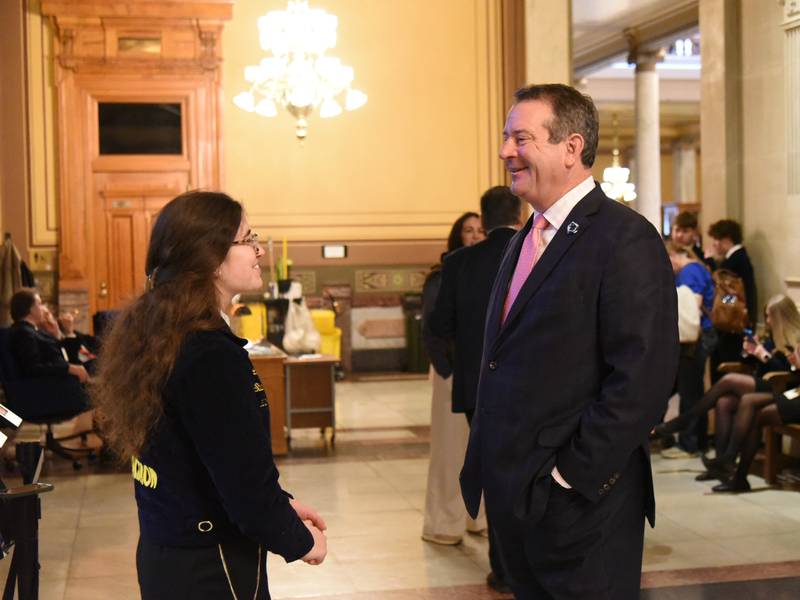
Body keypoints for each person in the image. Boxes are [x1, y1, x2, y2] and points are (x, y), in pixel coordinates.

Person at [459, 83, 678, 599]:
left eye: (521, 138)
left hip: (583, 507)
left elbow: (642, 381)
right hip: (516, 497)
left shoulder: (626, 238)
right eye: (506, 138)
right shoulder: (522, 240)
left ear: (571, 147)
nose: (505, 151)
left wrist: (568, 478)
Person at [92, 191, 326, 599]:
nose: (258, 251)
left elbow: (208, 457)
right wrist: (297, 539)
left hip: (168, 551)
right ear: (212, 257)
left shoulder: (165, 332)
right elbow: (243, 484)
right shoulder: (208, 353)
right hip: (210, 563)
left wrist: (282, 503)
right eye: (248, 239)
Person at [428, 187, 523, 592]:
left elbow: (439, 325)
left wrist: (463, 361)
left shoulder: (459, 262)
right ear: (518, 215)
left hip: (476, 387)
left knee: (491, 471)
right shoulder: (534, 253)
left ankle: (502, 568)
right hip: (528, 384)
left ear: (482, 222)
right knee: (526, 471)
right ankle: (530, 564)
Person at [654, 294, 800, 481]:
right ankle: (720, 465)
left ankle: (684, 421)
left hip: (783, 388)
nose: (768, 321)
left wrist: (765, 356)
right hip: (767, 384)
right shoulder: (772, 336)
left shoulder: (795, 339)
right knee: (724, 402)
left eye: (770, 316)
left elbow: (787, 372)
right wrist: (749, 353)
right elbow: (761, 366)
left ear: (781, 317)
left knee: (729, 380)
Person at [421, 212, 487, 548]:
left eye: (480, 231)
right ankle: (443, 522)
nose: (475, 236)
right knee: (450, 452)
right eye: (468, 231)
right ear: (456, 236)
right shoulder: (444, 273)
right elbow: (433, 328)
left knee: (478, 448)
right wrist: (447, 368)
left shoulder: (487, 271)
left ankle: (476, 516)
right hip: (451, 371)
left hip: (479, 373)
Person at [712, 345, 800, 493]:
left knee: (755, 409)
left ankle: (733, 466)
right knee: (750, 403)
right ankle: (735, 468)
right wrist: (795, 364)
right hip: (795, 393)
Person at [661, 241, 717, 458]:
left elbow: (690, 309)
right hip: (700, 337)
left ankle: (690, 443)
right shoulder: (697, 268)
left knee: (690, 392)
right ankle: (695, 440)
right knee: (691, 389)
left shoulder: (689, 272)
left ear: (674, 255)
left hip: (694, 340)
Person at [707, 219, 758, 380]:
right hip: (738, 321)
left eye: (716, 239)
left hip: (733, 323)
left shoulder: (736, 259)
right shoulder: (739, 257)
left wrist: (710, 261)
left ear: (727, 238)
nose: (714, 244)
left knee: (724, 364)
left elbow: (729, 293)